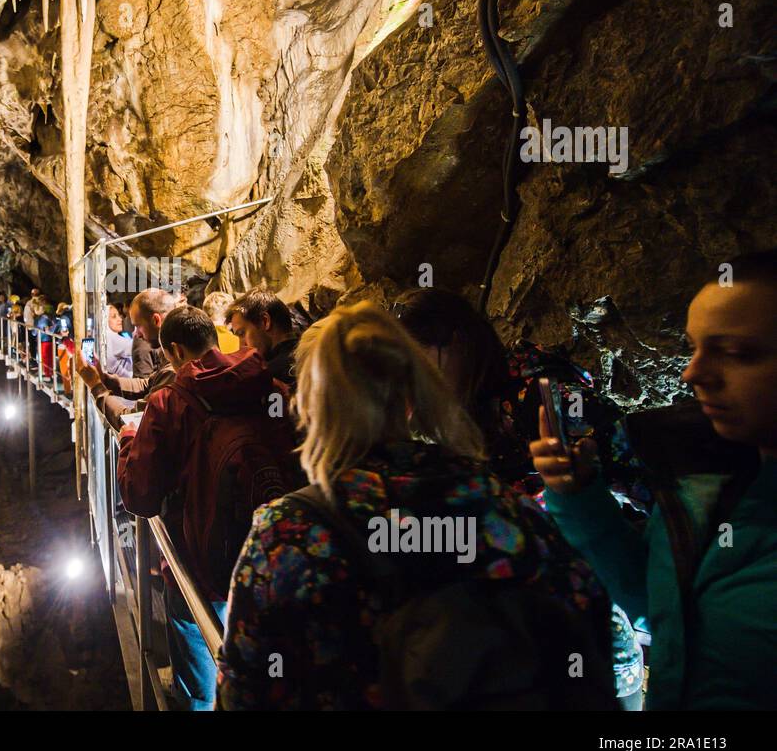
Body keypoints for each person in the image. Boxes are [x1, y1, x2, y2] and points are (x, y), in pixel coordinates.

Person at [217, 301, 614, 710]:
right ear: (411, 397)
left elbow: (243, 690)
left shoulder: (286, 536)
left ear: (310, 407)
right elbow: (586, 614)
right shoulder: (504, 507)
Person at [531, 250, 777, 710]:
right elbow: (659, 606)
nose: (692, 373)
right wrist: (581, 498)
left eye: (738, 353)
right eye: (694, 347)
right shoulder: (703, 482)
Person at [392, 286, 649, 706]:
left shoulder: (544, 395)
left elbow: (636, 475)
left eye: (419, 364)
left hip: (593, 632)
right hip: (524, 639)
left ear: (456, 343)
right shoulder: (461, 413)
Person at [117, 305, 295, 710]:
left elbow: (140, 495)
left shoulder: (169, 402)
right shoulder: (265, 382)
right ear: (216, 338)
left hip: (204, 562)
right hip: (273, 554)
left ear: (176, 350)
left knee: (195, 640)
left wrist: (130, 439)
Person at [77, 289, 178, 430]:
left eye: (137, 326)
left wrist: (96, 386)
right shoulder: (172, 357)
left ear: (156, 320)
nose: (136, 334)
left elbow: (133, 421)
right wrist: (104, 379)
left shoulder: (175, 368)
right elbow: (148, 384)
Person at [228, 289, 299, 386]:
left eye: (241, 333)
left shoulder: (267, 378)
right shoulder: (316, 352)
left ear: (265, 321)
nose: (241, 346)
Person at [102, 303, 134, 377]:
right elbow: (136, 347)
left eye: (118, 315)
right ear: (105, 320)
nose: (120, 319)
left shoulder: (108, 336)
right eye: (114, 317)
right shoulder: (110, 337)